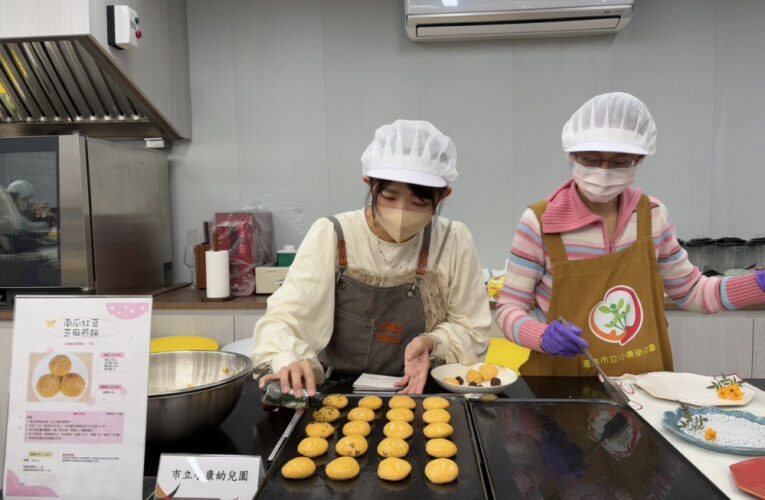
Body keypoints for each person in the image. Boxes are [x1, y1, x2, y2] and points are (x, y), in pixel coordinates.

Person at [496, 92, 765, 376]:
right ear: (573, 154)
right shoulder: (541, 223)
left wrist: (757, 285)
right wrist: (541, 336)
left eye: (619, 162)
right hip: (564, 390)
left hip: (644, 388)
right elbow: (508, 310)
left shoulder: (652, 217)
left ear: (638, 160)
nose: (604, 170)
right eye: (592, 159)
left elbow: (693, 292)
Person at [253, 119, 492, 396]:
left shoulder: (452, 240)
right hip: (340, 391)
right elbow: (286, 319)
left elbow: (472, 329)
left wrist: (432, 341)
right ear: (370, 183)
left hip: (421, 391)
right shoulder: (334, 235)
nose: (402, 212)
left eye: (419, 203)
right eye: (390, 197)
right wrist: (287, 357)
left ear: (443, 196)